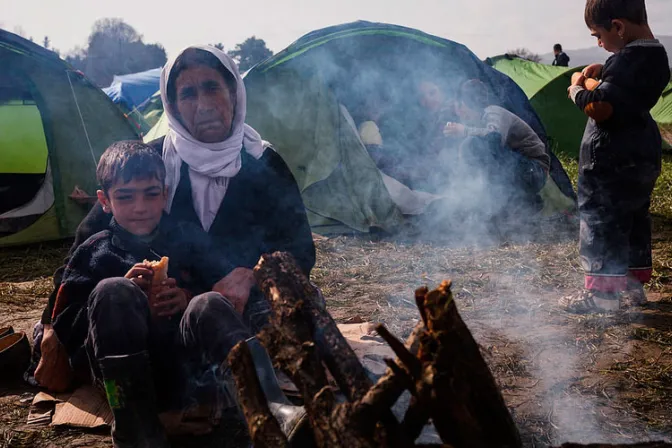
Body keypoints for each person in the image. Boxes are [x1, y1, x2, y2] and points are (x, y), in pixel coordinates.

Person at [39, 142, 305, 447]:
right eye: (125, 197)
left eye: (151, 194)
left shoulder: (185, 238)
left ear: (165, 194)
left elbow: (219, 283)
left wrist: (188, 297)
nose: (140, 207)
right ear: (104, 201)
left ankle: (272, 409)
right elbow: (67, 324)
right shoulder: (95, 252)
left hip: (188, 373)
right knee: (113, 291)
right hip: (126, 382)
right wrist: (125, 304)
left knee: (209, 302)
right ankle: (138, 431)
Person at [560, 0, 669, 313]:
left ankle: (603, 300)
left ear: (618, 27)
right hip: (643, 154)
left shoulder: (626, 60)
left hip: (610, 161)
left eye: (598, 34)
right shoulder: (656, 56)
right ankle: (635, 289)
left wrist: (577, 89)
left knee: (602, 220)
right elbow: (626, 90)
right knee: (634, 219)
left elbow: (602, 107)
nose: (598, 42)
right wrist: (604, 71)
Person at [442, 79, 550, 219]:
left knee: (475, 144)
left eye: (460, 105)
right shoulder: (477, 123)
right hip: (522, 171)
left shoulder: (493, 112)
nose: (459, 111)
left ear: (469, 102)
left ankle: (525, 202)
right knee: (471, 146)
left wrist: (464, 131)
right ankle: (522, 206)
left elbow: (494, 139)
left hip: (534, 170)